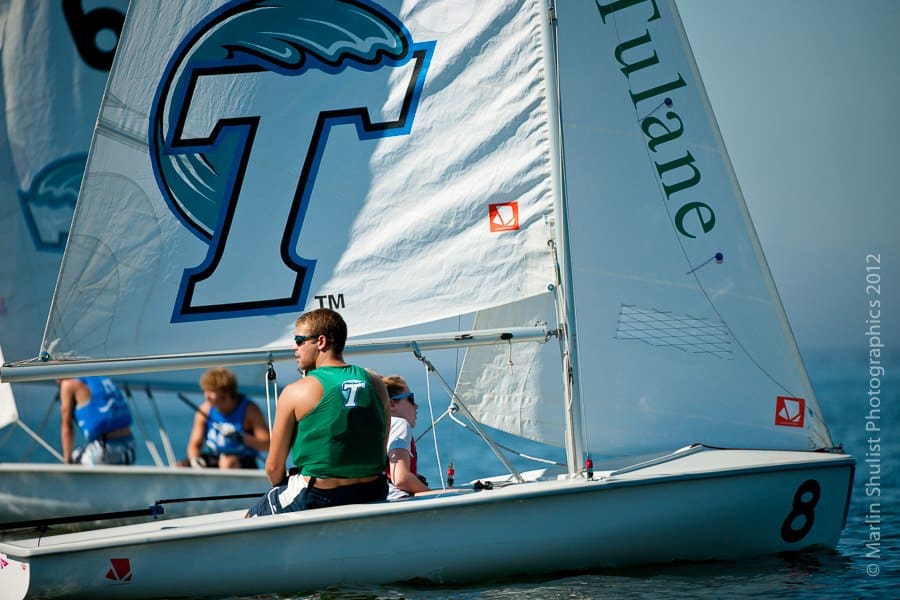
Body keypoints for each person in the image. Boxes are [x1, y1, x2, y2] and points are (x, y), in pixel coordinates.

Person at [247, 308, 389, 516]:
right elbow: (380, 446)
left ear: (321, 342)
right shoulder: (376, 382)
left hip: (320, 494)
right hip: (374, 490)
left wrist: (281, 488)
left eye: (299, 340)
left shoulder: (295, 391)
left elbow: (273, 468)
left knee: (253, 516)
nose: (294, 348)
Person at [186, 367, 270, 469]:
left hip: (243, 461)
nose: (206, 396)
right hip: (216, 457)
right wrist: (195, 459)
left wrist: (240, 437)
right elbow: (194, 445)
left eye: (211, 391)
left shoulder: (249, 410)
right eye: (205, 391)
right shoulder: (205, 410)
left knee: (228, 463)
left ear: (226, 393)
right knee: (180, 466)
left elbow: (267, 444)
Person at [59, 376, 136, 465]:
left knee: (74, 460)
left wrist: (67, 461)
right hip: (130, 447)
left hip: (106, 449)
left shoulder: (68, 384)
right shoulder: (101, 377)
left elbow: (67, 426)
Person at [383, 374, 430, 499]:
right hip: (395, 499)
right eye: (411, 399)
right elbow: (401, 479)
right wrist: (436, 494)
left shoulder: (379, 425)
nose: (416, 406)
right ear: (392, 404)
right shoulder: (399, 423)